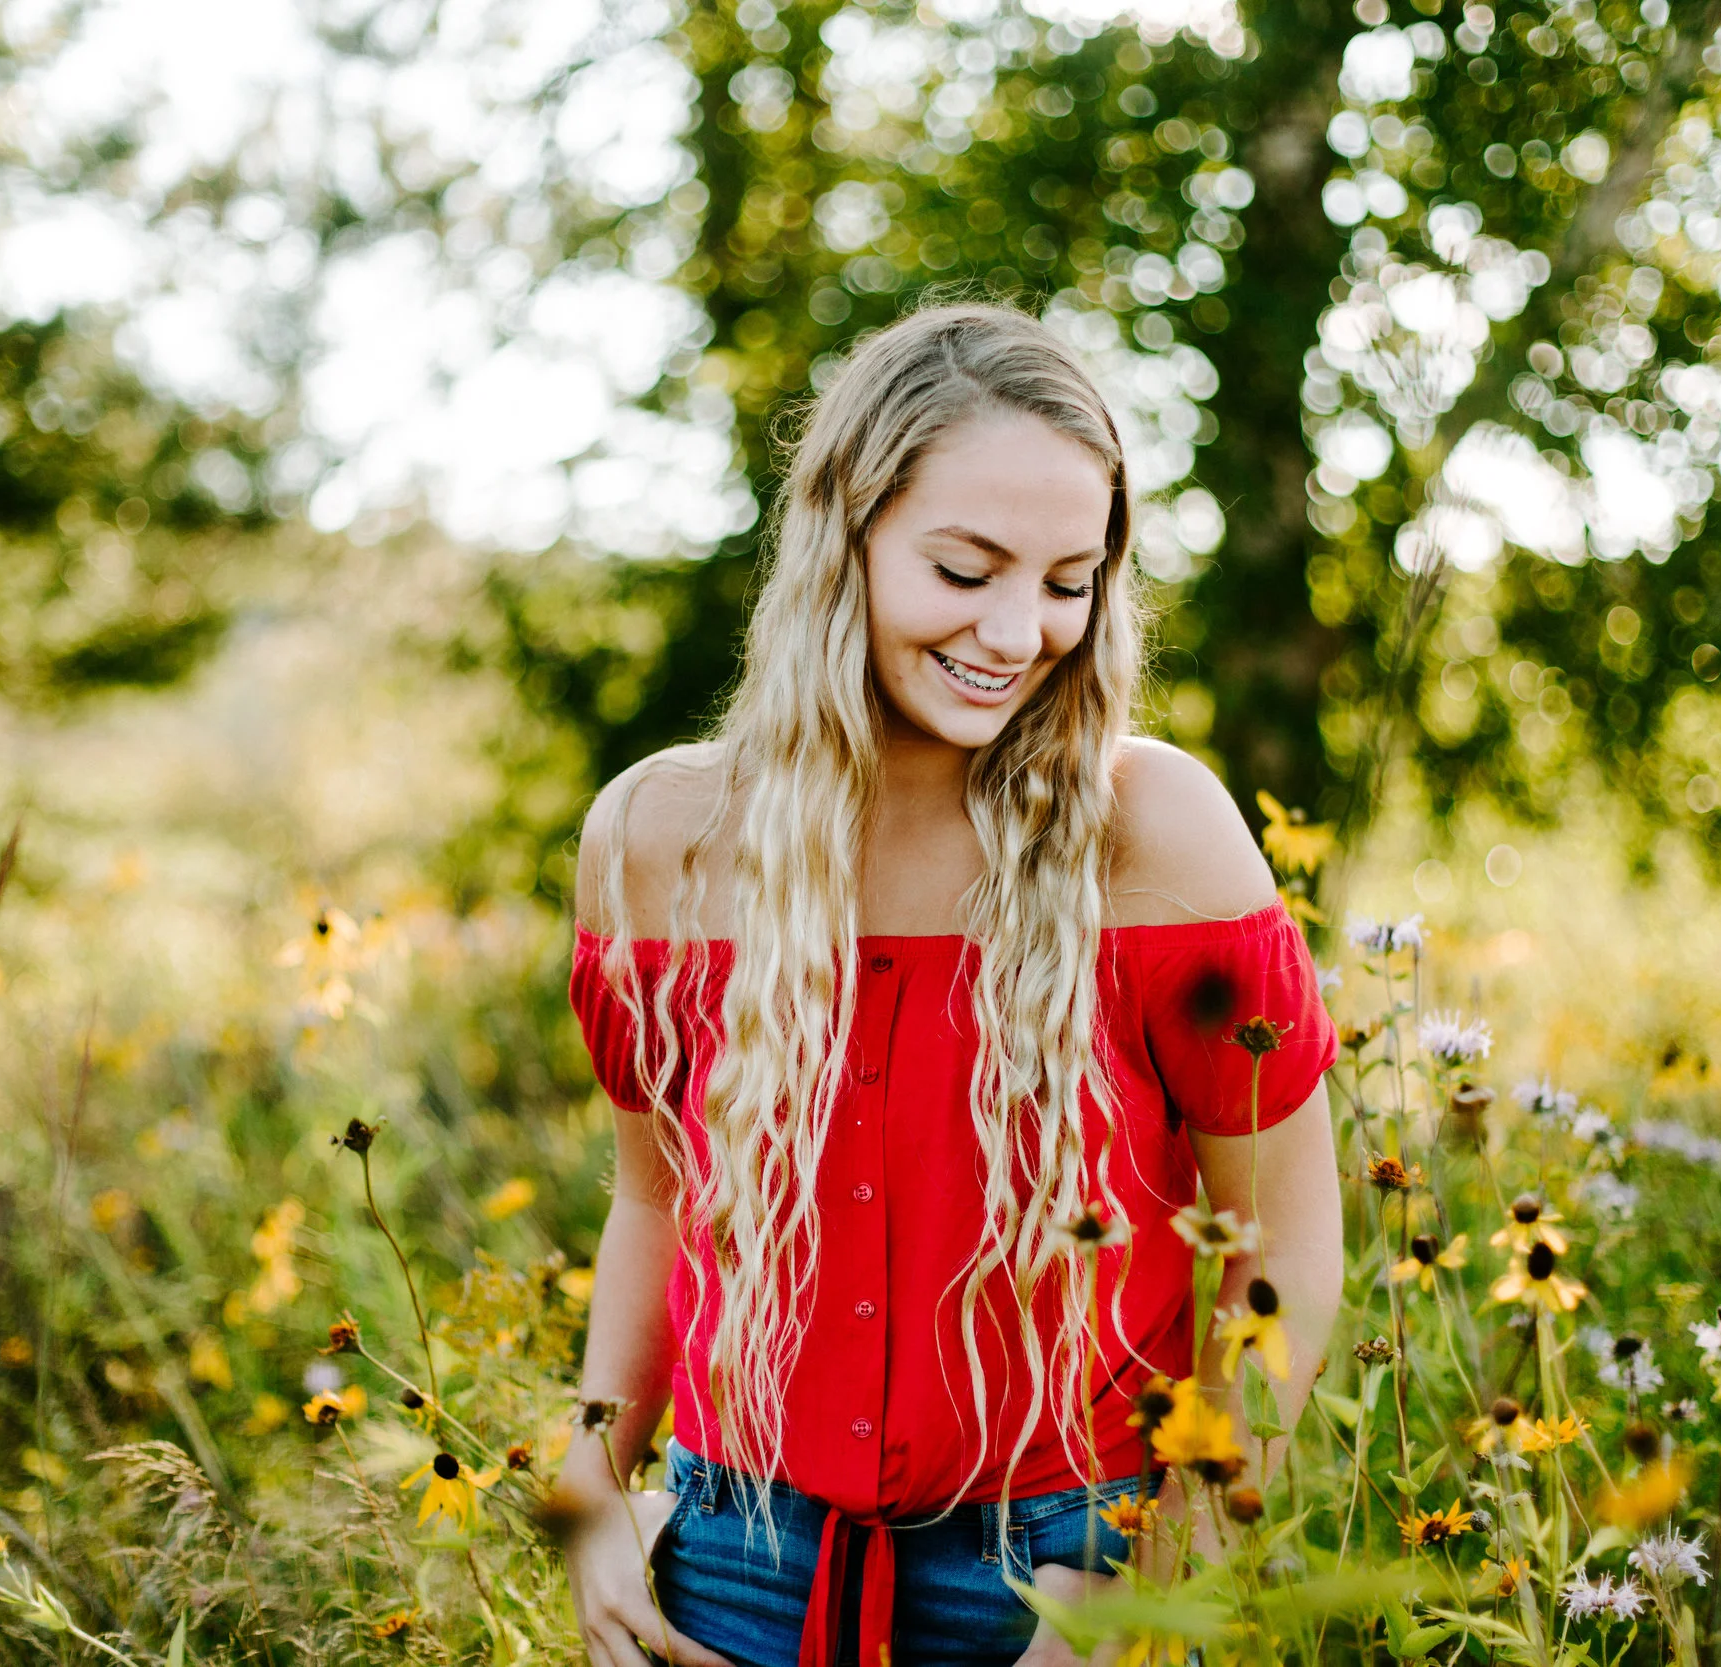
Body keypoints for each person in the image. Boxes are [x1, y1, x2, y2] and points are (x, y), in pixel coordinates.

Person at [559, 303, 1343, 1667]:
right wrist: (586, 1481)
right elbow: (656, 1195)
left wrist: (1162, 1575)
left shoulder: (1156, 836)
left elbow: (1284, 1246)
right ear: (840, 537)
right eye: (965, 567)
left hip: (1066, 1572)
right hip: (729, 1568)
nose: (1018, 630)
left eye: (1065, 578)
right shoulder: (655, 840)